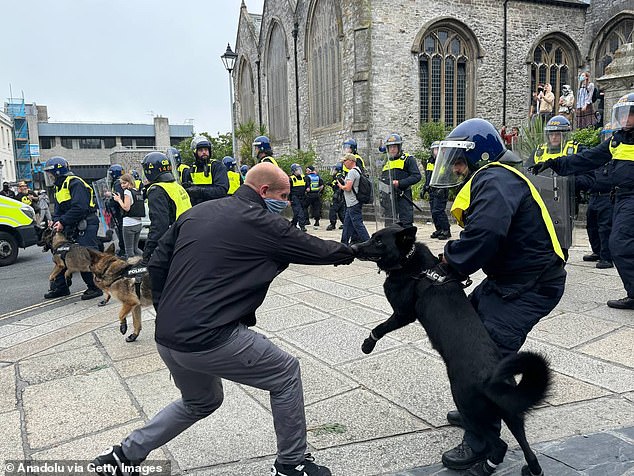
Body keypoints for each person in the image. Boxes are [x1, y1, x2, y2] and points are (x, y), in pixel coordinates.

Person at [92, 162, 354, 476]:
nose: (286, 204)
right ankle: (291, 464)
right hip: (209, 337)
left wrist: (167, 312)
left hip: (169, 336)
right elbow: (318, 249)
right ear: (264, 191)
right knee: (285, 373)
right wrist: (366, 250)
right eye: (284, 197)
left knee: (200, 402)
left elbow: (157, 264)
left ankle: (122, 456)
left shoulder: (196, 213)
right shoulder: (261, 220)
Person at [429, 118, 567, 474]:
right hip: (512, 280)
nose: (456, 168)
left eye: (459, 160)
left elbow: (486, 233)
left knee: (481, 357)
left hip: (529, 286)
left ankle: (483, 442)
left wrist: (453, 263)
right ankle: (478, 406)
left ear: (480, 156)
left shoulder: (494, 177)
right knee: (466, 332)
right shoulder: (494, 179)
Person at [531, 92, 634, 309]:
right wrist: (553, 163)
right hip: (622, 198)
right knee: (621, 243)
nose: (625, 119)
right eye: (622, 114)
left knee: (619, 243)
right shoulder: (617, 140)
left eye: (630, 114)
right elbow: (586, 159)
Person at [42, 156, 104, 300]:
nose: (49, 176)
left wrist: (63, 221)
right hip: (72, 224)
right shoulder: (59, 186)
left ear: (57, 172)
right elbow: (57, 209)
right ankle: (61, 288)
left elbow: (80, 207)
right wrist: (56, 221)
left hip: (85, 223)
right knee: (60, 254)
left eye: (50, 173)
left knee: (85, 256)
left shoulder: (75, 183)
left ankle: (95, 288)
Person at [140, 152, 192, 265]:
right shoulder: (177, 186)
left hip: (174, 241)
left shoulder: (157, 190)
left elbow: (159, 226)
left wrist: (147, 253)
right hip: (188, 236)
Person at [379, 133, 421, 228]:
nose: (392, 149)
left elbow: (417, 176)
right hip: (389, 199)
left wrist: (400, 183)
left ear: (399, 147)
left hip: (403, 196)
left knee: (406, 223)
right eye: (390, 147)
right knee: (389, 225)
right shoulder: (386, 162)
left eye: (394, 146)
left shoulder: (408, 159)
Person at [181, 136, 229, 206]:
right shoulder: (191, 169)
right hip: (197, 209)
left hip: (215, 208)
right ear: (195, 152)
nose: (204, 152)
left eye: (206, 150)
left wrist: (199, 191)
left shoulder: (217, 166)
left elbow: (221, 190)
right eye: (200, 150)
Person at [338, 153, 370, 246]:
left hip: (353, 203)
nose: (344, 163)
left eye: (345, 161)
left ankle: (369, 243)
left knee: (358, 225)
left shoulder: (352, 172)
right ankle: (343, 244)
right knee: (347, 225)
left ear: (351, 161)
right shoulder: (358, 170)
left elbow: (348, 188)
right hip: (352, 203)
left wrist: (341, 186)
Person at [423, 141, 451, 240]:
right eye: (434, 149)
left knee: (439, 211)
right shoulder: (430, 161)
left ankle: (446, 230)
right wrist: (424, 187)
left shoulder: (445, 161)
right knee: (433, 211)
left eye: (438, 149)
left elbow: (447, 176)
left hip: (441, 189)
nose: (436, 151)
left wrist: (442, 188)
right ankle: (439, 229)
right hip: (432, 189)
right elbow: (428, 176)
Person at [113, 173, 145, 258]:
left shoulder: (127, 192)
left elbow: (126, 208)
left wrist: (118, 200)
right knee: (136, 249)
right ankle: (146, 260)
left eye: (124, 183)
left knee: (129, 251)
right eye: (121, 183)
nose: (122, 185)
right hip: (138, 223)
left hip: (129, 224)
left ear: (129, 182)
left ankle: (132, 268)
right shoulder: (138, 191)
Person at [105, 164, 126, 257]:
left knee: (121, 231)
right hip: (124, 211)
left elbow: (118, 196)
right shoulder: (122, 182)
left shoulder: (117, 183)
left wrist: (110, 202)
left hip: (120, 212)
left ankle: (123, 250)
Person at [327, 162, 346, 231]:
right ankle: (345, 223)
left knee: (333, 211)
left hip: (338, 197)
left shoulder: (338, 177)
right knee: (341, 211)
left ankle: (332, 224)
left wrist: (336, 194)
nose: (333, 171)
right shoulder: (340, 176)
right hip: (340, 197)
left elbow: (339, 186)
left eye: (334, 169)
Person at [289, 163, 307, 232]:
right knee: (299, 212)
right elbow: (289, 190)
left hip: (302, 197)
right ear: (293, 171)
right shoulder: (291, 179)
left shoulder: (303, 178)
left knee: (297, 213)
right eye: (297, 170)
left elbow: (306, 186)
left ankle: (293, 224)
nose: (299, 171)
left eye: (299, 169)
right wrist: (290, 199)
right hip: (295, 197)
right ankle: (302, 226)